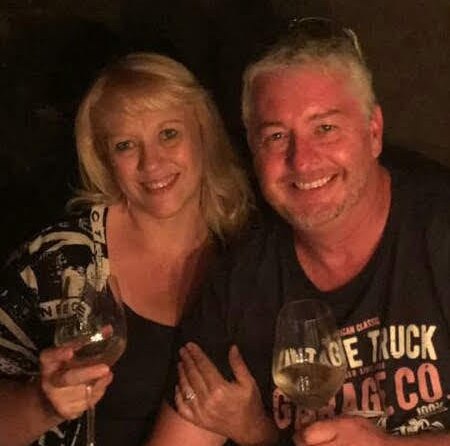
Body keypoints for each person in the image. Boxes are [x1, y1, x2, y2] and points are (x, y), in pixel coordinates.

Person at [147, 17, 450, 446]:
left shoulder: (438, 229)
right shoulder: (240, 281)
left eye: (325, 128)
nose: (302, 161)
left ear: (373, 132)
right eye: (276, 136)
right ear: (254, 153)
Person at [0, 52, 252, 446]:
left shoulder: (253, 248)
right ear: (104, 158)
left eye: (169, 134)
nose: (151, 163)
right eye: (125, 145)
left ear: (203, 133)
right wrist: (42, 404)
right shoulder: (59, 261)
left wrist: (254, 428)